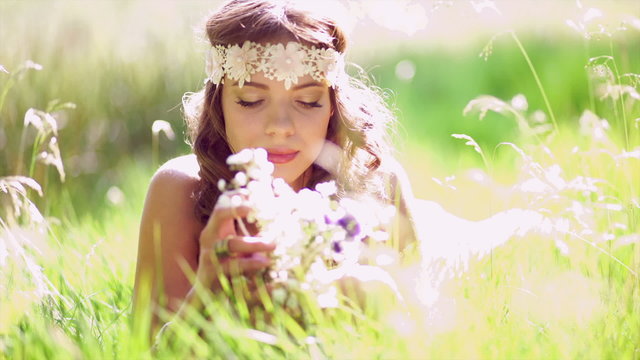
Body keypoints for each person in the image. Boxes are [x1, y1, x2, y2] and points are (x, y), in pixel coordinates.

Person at [132, 0, 420, 337]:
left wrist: (373, 296)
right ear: (219, 104)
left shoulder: (378, 182)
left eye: (307, 101)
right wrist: (207, 295)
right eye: (251, 101)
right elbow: (145, 350)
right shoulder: (182, 190)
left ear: (331, 106)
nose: (280, 126)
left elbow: (428, 337)